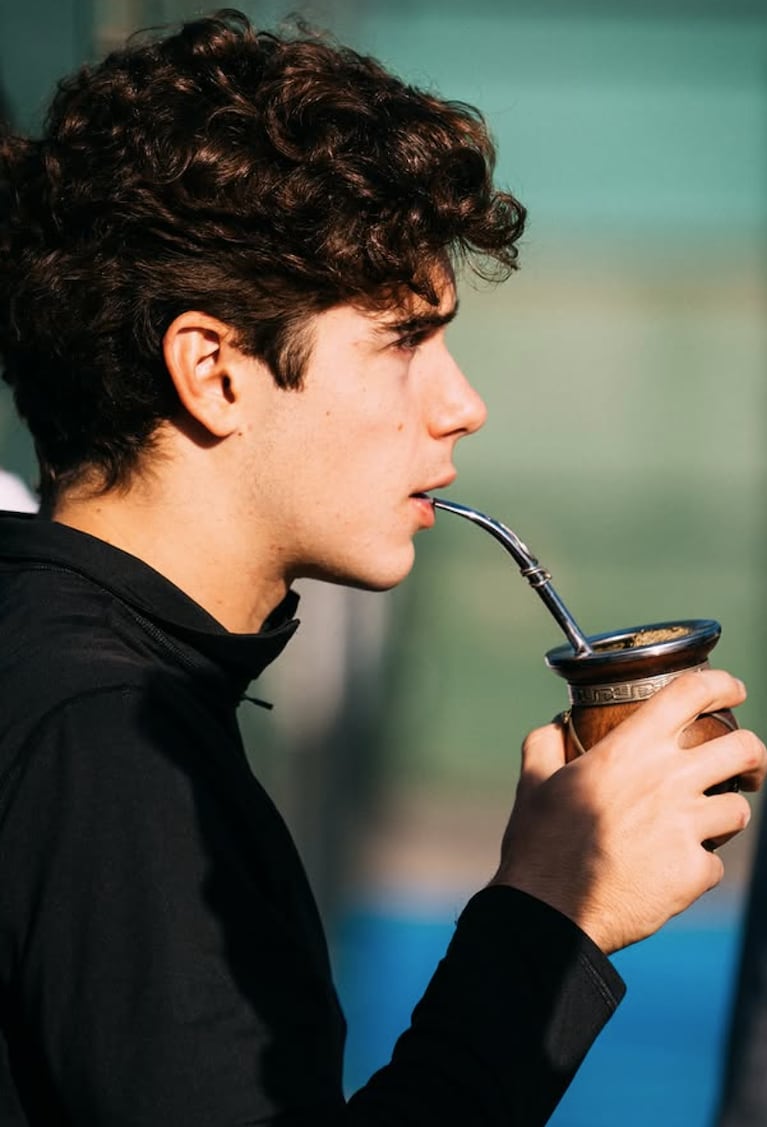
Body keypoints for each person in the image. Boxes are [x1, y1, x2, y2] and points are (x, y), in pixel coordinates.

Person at [0, 11, 763, 1126]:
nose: (462, 406)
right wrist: (552, 909)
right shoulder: (107, 741)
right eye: (403, 340)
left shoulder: (70, 678)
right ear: (212, 369)